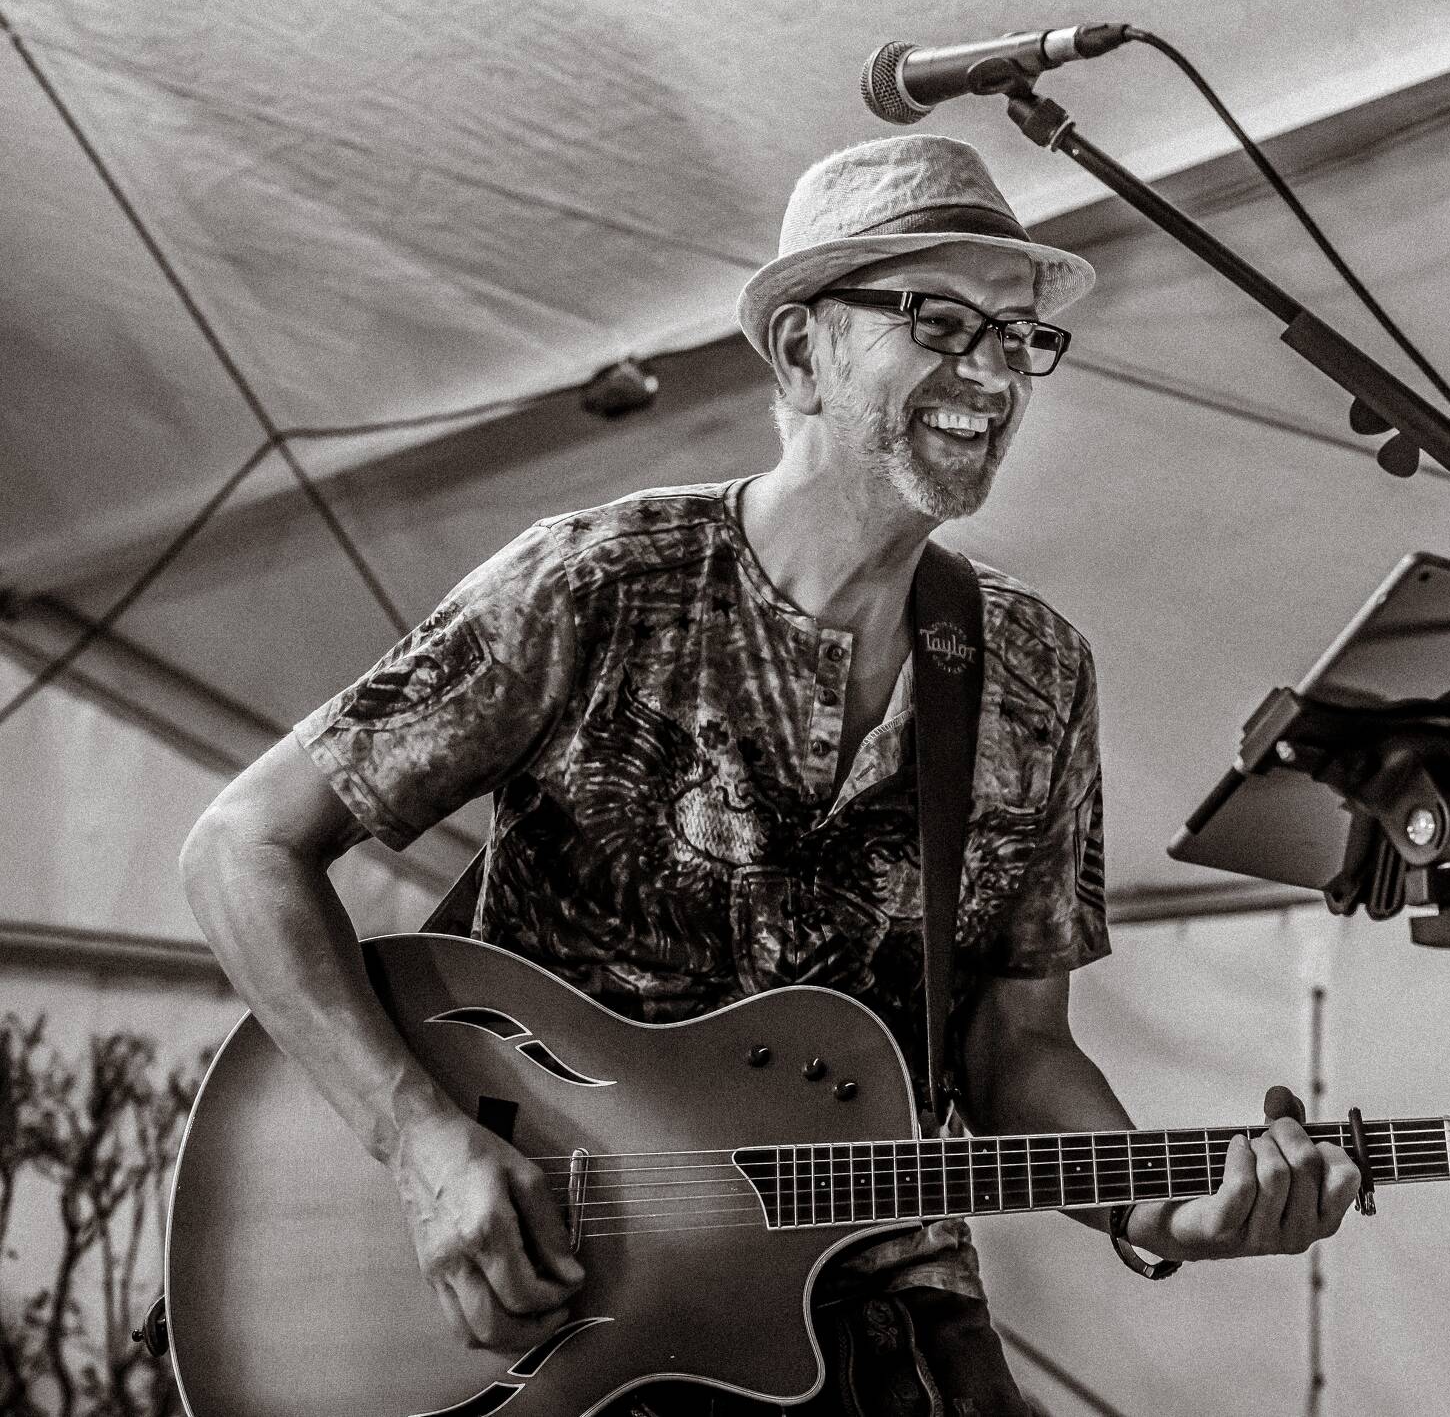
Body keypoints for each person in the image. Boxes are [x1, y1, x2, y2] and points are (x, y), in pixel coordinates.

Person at [180, 134, 1360, 1415]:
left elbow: (1015, 1046)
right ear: (801, 350)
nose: (991, 374)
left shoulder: (1034, 669)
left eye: (1018, 336)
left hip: (887, 1322)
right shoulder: (597, 583)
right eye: (938, 321)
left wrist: (1157, 1210)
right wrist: (418, 1139)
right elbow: (241, 848)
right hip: (575, 1333)